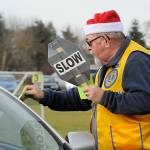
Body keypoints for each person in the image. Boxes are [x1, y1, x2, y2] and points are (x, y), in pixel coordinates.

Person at [24, 10, 150, 150]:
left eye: (89, 42)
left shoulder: (136, 60)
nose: (88, 48)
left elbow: (145, 100)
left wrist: (104, 97)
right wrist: (45, 96)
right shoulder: (106, 67)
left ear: (106, 40)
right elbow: (80, 97)